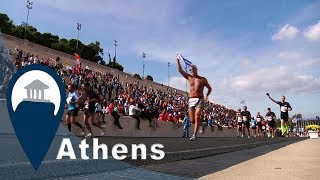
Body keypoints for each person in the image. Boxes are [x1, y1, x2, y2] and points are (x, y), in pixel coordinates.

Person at [177, 55, 212, 141]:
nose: (191, 71)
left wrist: (207, 95)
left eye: (193, 69)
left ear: (196, 70)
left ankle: (194, 135)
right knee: (192, 120)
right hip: (191, 100)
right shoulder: (189, 77)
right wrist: (177, 60)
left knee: (197, 116)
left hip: (200, 99)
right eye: (190, 70)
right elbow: (180, 71)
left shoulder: (202, 79)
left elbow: (209, 88)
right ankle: (202, 124)